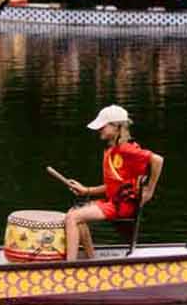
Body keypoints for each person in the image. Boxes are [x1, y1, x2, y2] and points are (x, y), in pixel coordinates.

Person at [59, 105, 165, 260]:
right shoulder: (113, 150)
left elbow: (157, 160)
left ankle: (70, 267)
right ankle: (90, 260)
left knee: (73, 217)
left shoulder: (125, 149)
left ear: (117, 127)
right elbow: (114, 186)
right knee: (72, 214)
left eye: (103, 125)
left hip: (123, 205)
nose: (99, 129)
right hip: (113, 202)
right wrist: (86, 190)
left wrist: (150, 190)